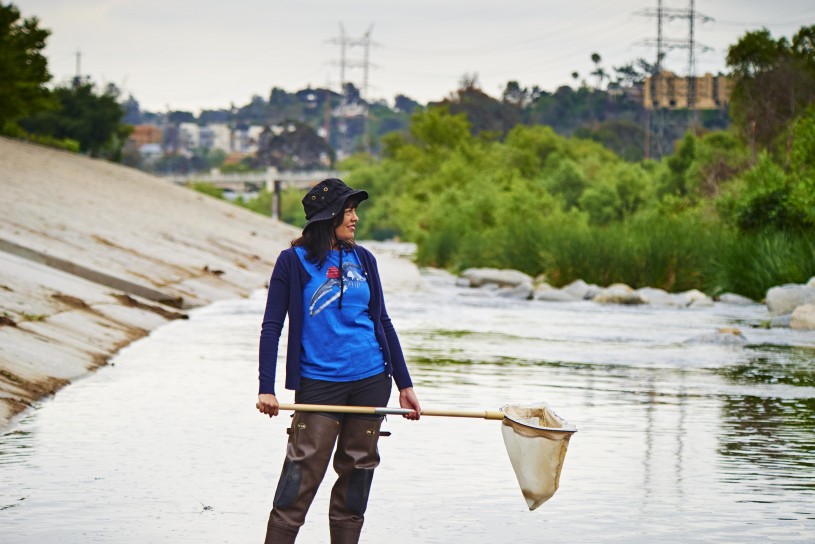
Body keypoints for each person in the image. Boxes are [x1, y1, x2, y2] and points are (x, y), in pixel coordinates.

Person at [256, 178, 421, 544]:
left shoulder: (364, 259)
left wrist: (403, 384)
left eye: (355, 210)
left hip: (370, 380)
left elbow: (382, 320)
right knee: (299, 478)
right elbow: (272, 326)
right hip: (318, 384)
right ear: (328, 216)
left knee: (357, 475)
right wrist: (265, 388)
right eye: (348, 210)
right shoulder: (292, 262)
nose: (355, 218)